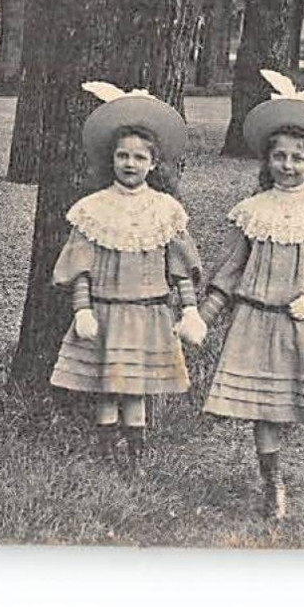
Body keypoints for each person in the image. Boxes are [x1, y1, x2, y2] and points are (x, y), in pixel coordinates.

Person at [183, 70, 304, 524]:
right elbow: (231, 271)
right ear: (267, 161)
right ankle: (274, 490)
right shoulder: (253, 212)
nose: (288, 165)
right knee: (264, 411)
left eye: (298, 158)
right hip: (257, 322)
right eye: (280, 157)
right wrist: (203, 316)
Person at [48, 83, 208, 467]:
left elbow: (180, 268)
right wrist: (82, 310)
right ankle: (106, 453)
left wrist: (189, 310)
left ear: (153, 163)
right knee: (106, 386)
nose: (130, 164)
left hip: (147, 311)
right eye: (123, 156)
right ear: (112, 160)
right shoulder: (93, 209)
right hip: (106, 310)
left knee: (135, 388)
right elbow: (80, 267)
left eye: (139, 157)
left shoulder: (166, 210)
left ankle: (135, 457)